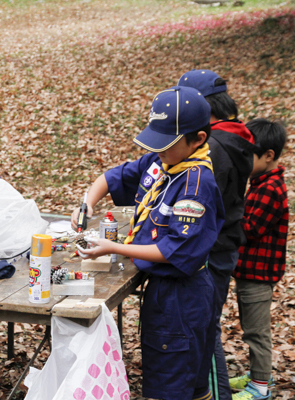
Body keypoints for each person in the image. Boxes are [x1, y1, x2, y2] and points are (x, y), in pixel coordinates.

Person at [71, 86, 225, 400]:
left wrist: (112, 247)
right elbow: (113, 177)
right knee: (175, 379)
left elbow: (173, 251)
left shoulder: (196, 184)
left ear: (198, 140)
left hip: (183, 297)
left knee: (177, 385)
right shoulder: (160, 164)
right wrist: (87, 204)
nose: (158, 151)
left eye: (166, 144)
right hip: (162, 294)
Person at [177, 69, 257, 400]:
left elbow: (203, 205)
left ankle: (217, 394)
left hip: (212, 250)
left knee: (205, 333)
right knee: (204, 329)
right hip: (222, 246)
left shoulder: (215, 147)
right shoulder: (235, 135)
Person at [228, 119, 288, 400]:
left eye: (247, 155)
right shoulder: (260, 181)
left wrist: (226, 219)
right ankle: (256, 376)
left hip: (258, 274)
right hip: (250, 270)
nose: (243, 160)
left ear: (268, 156)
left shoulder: (270, 189)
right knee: (252, 328)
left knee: (256, 333)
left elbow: (249, 230)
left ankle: (261, 387)